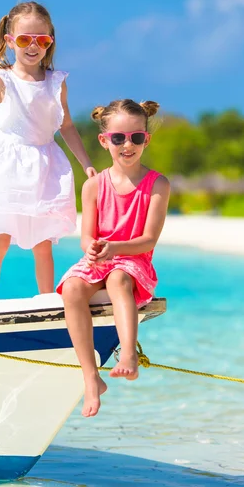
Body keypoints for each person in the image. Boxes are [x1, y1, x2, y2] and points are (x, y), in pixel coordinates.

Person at [0, 1, 96, 299]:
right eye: (25, 39)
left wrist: (86, 163)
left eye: (42, 39)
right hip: (5, 167)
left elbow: (67, 127)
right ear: (10, 41)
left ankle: (46, 301)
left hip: (44, 166)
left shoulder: (56, 82)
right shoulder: (0, 79)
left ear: (50, 42)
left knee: (43, 243)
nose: (33, 46)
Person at [57, 99, 170, 417]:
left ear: (145, 140)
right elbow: (86, 237)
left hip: (133, 258)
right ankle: (91, 378)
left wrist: (115, 249)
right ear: (104, 141)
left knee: (119, 278)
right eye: (119, 138)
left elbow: (148, 240)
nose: (128, 145)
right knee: (72, 288)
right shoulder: (93, 185)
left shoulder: (158, 184)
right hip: (103, 256)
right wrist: (93, 247)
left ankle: (128, 357)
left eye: (136, 137)